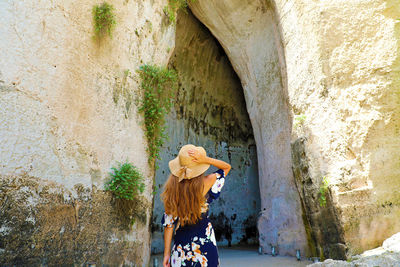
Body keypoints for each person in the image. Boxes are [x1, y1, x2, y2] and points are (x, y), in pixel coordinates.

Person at [160, 144, 231, 267]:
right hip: (205, 246)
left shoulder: (172, 190)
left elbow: (169, 225)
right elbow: (226, 167)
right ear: (200, 167)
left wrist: (166, 254)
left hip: (182, 247)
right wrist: (206, 159)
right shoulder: (209, 181)